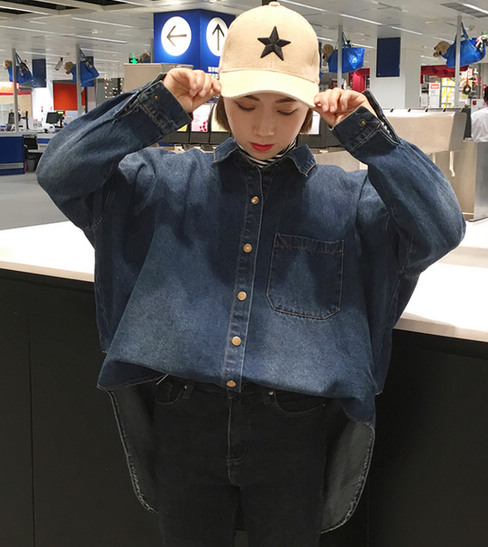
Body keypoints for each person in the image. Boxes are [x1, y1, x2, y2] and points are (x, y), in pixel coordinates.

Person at [37, 3, 465, 545]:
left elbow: (440, 227)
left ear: (309, 109)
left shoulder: (347, 200)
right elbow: (61, 171)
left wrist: (370, 137)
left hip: (294, 429)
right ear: (221, 102)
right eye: (246, 104)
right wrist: (157, 106)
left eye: (287, 108)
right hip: (184, 418)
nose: (265, 126)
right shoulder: (163, 184)